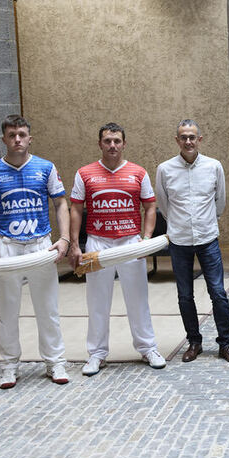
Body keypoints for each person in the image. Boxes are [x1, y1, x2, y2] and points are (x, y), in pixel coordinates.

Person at [0, 115, 71, 389]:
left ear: (30, 137)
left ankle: (55, 361)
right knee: (7, 311)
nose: (17, 139)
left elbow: (61, 203)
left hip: (41, 246)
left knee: (48, 309)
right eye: (12, 134)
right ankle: (8, 366)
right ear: (3, 139)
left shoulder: (45, 168)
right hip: (7, 248)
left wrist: (65, 239)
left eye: (22, 134)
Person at [70, 122, 166, 375]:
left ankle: (148, 348)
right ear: (100, 143)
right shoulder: (85, 173)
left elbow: (150, 206)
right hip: (97, 242)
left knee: (138, 298)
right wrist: (73, 245)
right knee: (97, 300)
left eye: (117, 141)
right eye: (107, 141)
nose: (112, 145)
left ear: (124, 143)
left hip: (130, 243)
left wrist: (145, 239)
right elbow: (76, 209)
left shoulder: (138, 173)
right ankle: (96, 354)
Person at [155, 120, 229, 365]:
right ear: (177, 140)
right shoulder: (165, 169)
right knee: (185, 295)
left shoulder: (213, 166)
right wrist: (179, 224)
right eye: (183, 137)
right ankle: (194, 342)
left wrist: (205, 223)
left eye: (192, 137)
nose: (188, 141)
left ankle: (226, 344)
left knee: (218, 293)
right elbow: (164, 205)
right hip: (180, 241)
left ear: (200, 139)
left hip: (207, 239)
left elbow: (220, 202)